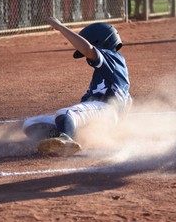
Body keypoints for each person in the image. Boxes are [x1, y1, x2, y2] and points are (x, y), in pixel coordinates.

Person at [22, 17, 132, 155]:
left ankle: (66, 141)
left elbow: (87, 49)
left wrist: (60, 27)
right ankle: (62, 137)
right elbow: (128, 101)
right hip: (98, 115)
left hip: (104, 110)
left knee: (65, 114)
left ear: (100, 42)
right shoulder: (113, 69)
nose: (86, 58)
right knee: (31, 124)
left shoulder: (112, 56)